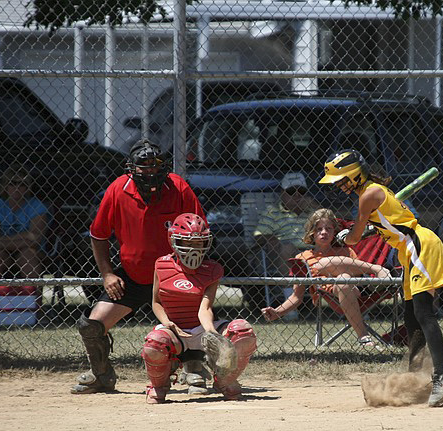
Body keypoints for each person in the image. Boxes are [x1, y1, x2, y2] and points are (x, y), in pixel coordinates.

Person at [319, 150, 443, 407]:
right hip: (409, 251)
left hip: (420, 246)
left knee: (423, 312)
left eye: (341, 180)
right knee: (410, 316)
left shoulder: (368, 194)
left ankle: (441, 376)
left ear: (354, 175)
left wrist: (344, 236)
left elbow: (355, 238)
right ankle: (416, 376)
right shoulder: (371, 192)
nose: (339, 186)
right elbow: (383, 223)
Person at [71, 139, 205, 394]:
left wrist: (189, 275)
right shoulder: (118, 190)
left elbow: (199, 228)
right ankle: (102, 375)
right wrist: (108, 274)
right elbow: (98, 235)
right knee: (92, 324)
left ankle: (194, 369)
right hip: (132, 275)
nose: (150, 172)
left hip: (172, 274)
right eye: (143, 166)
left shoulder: (178, 187)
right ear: (131, 168)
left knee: (189, 314)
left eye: (155, 166)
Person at [142, 213, 257, 403]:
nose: (194, 249)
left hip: (201, 328)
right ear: (174, 241)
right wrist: (168, 323)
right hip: (175, 331)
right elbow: (156, 302)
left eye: (199, 243)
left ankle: (225, 380)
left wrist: (211, 333)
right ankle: (158, 385)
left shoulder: (212, 269)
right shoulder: (162, 265)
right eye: (187, 243)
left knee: (242, 332)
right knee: (154, 343)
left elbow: (205, 307)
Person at [260, 208, 392, 348]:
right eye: (319, 229)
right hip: (334, 294)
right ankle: (364, 336)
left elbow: (359, 275)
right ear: (312, 232)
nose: (324, 232)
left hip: (360, 291)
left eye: (329, 229)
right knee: (341, 278)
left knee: (338, 273)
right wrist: (278, 312)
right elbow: (296, 296)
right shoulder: (304, 257)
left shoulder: (346, 251)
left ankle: (377, 269)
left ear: (334, 232)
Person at [0, 164, 49, 326]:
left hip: (29, 251)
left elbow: (35, 239)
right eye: (13, 183)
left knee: (28, 254)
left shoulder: (37, 206)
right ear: (5, 186)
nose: (17, 188)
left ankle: (37, 311)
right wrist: (22, 238)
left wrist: (4, 240)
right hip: (1, 251)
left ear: (28, 188)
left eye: (22, 184)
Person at [253, 172, 320, 309]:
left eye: (301, 192)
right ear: (282, 193)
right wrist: (272, 240)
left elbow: (332, 223)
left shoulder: (314, 212)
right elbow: (259, 235)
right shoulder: (273, 212)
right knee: (287, 249)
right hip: (288, 252)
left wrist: (314, 205)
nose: (296, 196)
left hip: (315, 250)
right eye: (291, 191)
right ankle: (290, 303)